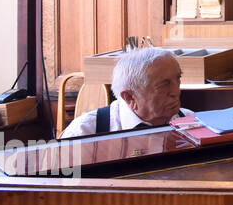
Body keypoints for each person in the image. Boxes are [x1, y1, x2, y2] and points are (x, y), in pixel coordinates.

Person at [60, 48, 194, 138]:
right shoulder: (85, 132)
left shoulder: (192, 122)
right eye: (164, 85)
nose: (176, 91)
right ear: (130, 97)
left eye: (178, 79)